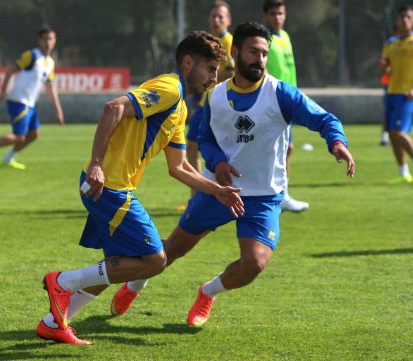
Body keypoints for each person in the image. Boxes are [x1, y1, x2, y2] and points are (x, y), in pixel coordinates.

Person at [110, 21, 355, 327]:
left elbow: (324, 118)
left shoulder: (281, 94)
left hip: (263, 196)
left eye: (265, 53)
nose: (260, 59)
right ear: (235, 52)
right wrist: (218, 163)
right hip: (216, 189)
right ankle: (135, 285)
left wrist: (337, 142)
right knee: (170, 250)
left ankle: (208, 292)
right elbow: (204, 136)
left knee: (254, 264)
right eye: (254, 51)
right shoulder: (214, 95)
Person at [37, 31, 245, 344]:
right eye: (210, 69)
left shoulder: (181, 109)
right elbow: (113, 108)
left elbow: (179, 168)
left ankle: (53, 323)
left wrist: (216, 190)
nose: (214, 78)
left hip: (111, 188)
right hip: (107, 188)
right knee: (155, 260)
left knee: (118, 267)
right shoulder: (169, 89)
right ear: (188, 63)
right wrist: (96, 163)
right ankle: (62, 282)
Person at [0, 26, 64, 170]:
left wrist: (58, 111)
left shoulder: (50, 63)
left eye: (51, 39)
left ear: (55, 41)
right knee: (20, 136)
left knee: (34, 134)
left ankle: (8, 159)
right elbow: (10, 70)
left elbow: (50, 87)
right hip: (18, 101)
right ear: (39, 40)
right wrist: (3, 91)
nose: (48, 42)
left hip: (30, 104)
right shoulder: (32, 56)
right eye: (45, 39)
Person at [176, 0, 235, 211]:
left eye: (221, 16)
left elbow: (233, 72)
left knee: (196, 147)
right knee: (193, 147)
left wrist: (208, 75)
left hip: (214, 101)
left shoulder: (228, 42)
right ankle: (197, 197)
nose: (217, 20)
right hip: (205, 101)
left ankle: (202, 197)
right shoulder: (212, 42)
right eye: (214, 16)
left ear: (228, 20)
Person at [262, 0, 309, 212]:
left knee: (286, 148)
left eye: (280, 13)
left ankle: (282, 195)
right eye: (273, 14)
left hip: (288, 100)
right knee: (276, 149)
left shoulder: (285, 37)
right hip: (273, 100)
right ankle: (278, 195)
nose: (277, 17)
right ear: (266, 16)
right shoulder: (265, 39)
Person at [380, 5, 413, 184]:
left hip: (407, 94)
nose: (405, 20)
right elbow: (386, 69)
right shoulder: (390, 43)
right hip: (391, 92)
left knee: (397, 131)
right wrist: (383, 67)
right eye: (402, 17)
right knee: (392, 134)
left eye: (408, 17)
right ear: (396, 20)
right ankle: (403, 173)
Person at [378, 29, 398, 146]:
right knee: (389, 112)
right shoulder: (391, 43)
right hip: (390, 85)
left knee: (392, 112)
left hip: (400, 85)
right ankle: (385, 137)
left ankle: (389, 137)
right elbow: (384, 64)